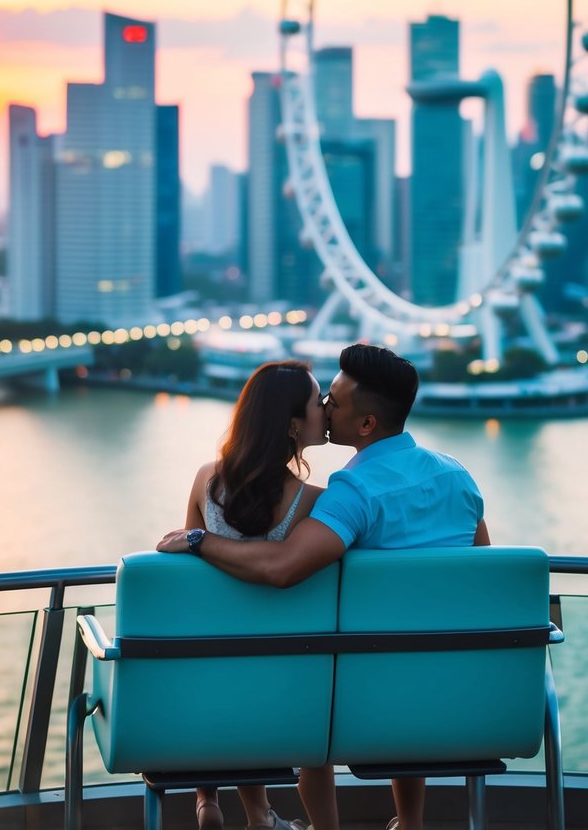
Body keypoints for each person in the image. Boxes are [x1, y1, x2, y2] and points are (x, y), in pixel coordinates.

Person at [159, 344, 489, 830]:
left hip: (360, 695)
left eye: (333, 399)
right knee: (403, 654)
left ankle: (263, 813)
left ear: (367, 425)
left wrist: (199, 541)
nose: (327, 407)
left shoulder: (352, 493)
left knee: (340, 673)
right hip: (458, 695)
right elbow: (483, 574)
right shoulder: (460, 477)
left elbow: (284, 567)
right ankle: (411, 821)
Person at [180, 359, 328, 830]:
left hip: (209, 684)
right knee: (275, 662)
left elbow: (190, 581)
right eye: (316, 400)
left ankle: (209, 802)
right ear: (291, 425)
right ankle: (282, 819)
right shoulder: (314, 503)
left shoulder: (206, 480)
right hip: (287, 688)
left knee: (226, 654)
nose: (325, 407)